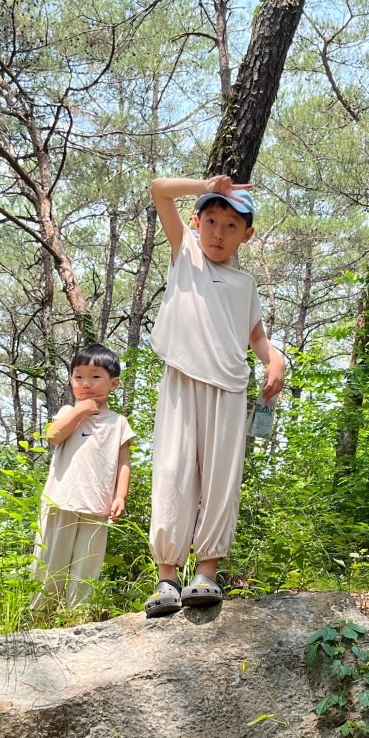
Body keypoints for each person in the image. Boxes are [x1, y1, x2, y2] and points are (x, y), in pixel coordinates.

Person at [144, 175, 285, 618]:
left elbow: (256, 337)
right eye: (211, 221)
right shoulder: (186, 255)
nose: (218, 233)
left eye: (230, 225)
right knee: (173, 469)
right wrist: (205, 184)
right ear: (196, 222)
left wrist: (275, 361)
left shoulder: (246, 286)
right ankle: (167, 575)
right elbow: (157, 190)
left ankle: (206, 572)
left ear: (247, 234)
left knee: (221, 478)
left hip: (230, 387)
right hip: (183, 379)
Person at [31, 343, 135, 610]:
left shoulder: (118, 422)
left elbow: (124, 463)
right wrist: (79, 411)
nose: (85, 383)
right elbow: (53, 436)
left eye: (95, 376)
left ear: (113, 384)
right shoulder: (68, 413)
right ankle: (40, 614)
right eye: (78, 376)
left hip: (97, 506)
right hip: (61, 500)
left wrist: (120, 496)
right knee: (49, 560)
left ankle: (77, 615)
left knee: (86, 565)